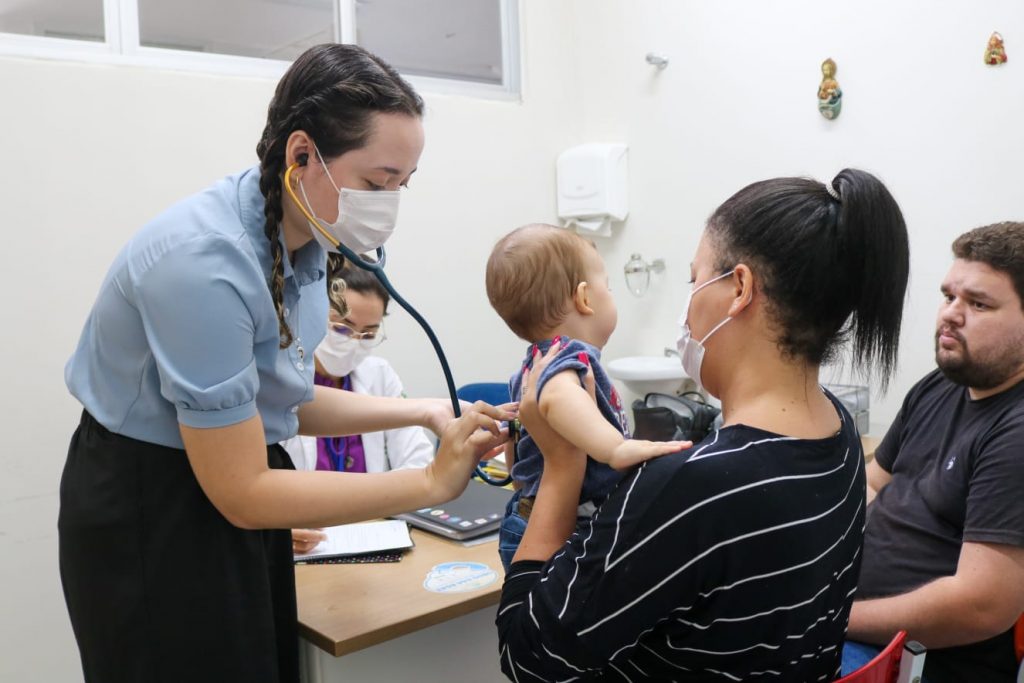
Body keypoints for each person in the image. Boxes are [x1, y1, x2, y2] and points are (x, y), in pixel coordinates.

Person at [59, 44, 511, 683]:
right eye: (378, 182)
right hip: (150, 503)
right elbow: (242, 490)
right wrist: (431, 485)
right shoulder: (204, 264)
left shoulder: (301, 244)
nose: (390, 203)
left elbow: (286, 401)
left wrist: (426, 410)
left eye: (402, 185)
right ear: (302, 155)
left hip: (224, 478)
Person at [496, 169, 910, 681]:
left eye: (695, 280)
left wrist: (561, 466)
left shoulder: (693, 488)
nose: (688, 306)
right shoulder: (841, 436)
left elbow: (529, 659)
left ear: (739, 288)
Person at [843, 222, 1024, 683]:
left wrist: (836, 617)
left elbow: (980, 606)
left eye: (978, 303)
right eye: (949, 297)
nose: (951, 315)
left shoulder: (1016, 431)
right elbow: (873, 482)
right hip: (849, 616)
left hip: (912, 659)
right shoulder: (942, 384)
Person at [485, 224, 687, 570]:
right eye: (608, 287)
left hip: (532, 513)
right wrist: (616, 449)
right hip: (565, 522)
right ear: (585, 298)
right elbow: (556, 398)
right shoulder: (567, 358)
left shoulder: (536, 361)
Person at [286, 259, 435, 554]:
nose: (354, 342)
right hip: (303, 545)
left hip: (370, 536)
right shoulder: (280, 381)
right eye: (342, 328)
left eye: (368, 334)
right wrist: (277, 527)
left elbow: (418, 460)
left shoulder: (379, 374)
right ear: (312, 314)